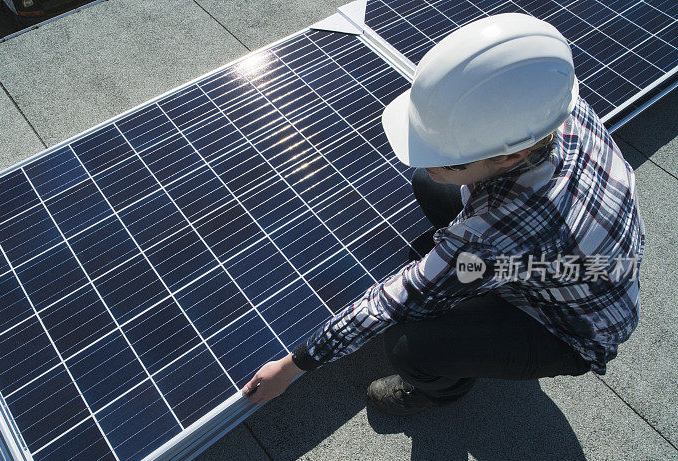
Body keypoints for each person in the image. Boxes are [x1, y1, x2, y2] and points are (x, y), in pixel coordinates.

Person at [241, 13, 645, 415]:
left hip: (570, 327)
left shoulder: (494, 232)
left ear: (516, 153)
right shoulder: (549, 109)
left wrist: (292, 366)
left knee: (408, 345)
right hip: (581, 263)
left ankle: (440, 389)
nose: (432, 163)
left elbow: (389, 305)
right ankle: (470, 299)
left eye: (452, 160)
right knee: (429, 182)